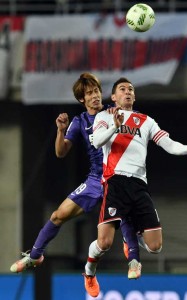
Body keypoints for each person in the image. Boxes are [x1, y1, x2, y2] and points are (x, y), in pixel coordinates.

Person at [83, 77, 187, 298]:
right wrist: (115, 125)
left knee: (155, 246)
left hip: (139, 185)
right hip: (115, 182)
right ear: (113, 97)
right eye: (122, 89)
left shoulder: (146, 121)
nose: (128, 92)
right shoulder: (104, 116)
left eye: (131, 89)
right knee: (104, 243)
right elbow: (97, 141)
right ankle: (89, 272)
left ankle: (134, 233)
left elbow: (168, 144)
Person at [10, 73, 139, 273]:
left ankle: (132, 258)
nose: (95, 96)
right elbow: (60, 152)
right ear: (82, 99)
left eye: (97, 91)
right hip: (96, 180)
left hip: (118, 178)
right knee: (57, 215)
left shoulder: (113, 112)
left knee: (118, 227)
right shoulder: (79, 122)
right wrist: (60, 131)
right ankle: (35, 256)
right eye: (90, 93)